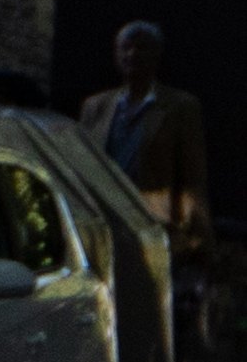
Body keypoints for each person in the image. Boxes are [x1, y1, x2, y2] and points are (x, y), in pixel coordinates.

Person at [80, 21, 214, 259]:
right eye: (126, 47)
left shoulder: (179, 107)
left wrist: (194, 236)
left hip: (153, 230)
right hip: (103, 226)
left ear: (156, 55)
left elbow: (193, 177)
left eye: (142, 47)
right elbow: (81, 168)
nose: (132, 54)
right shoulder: (96, 107)